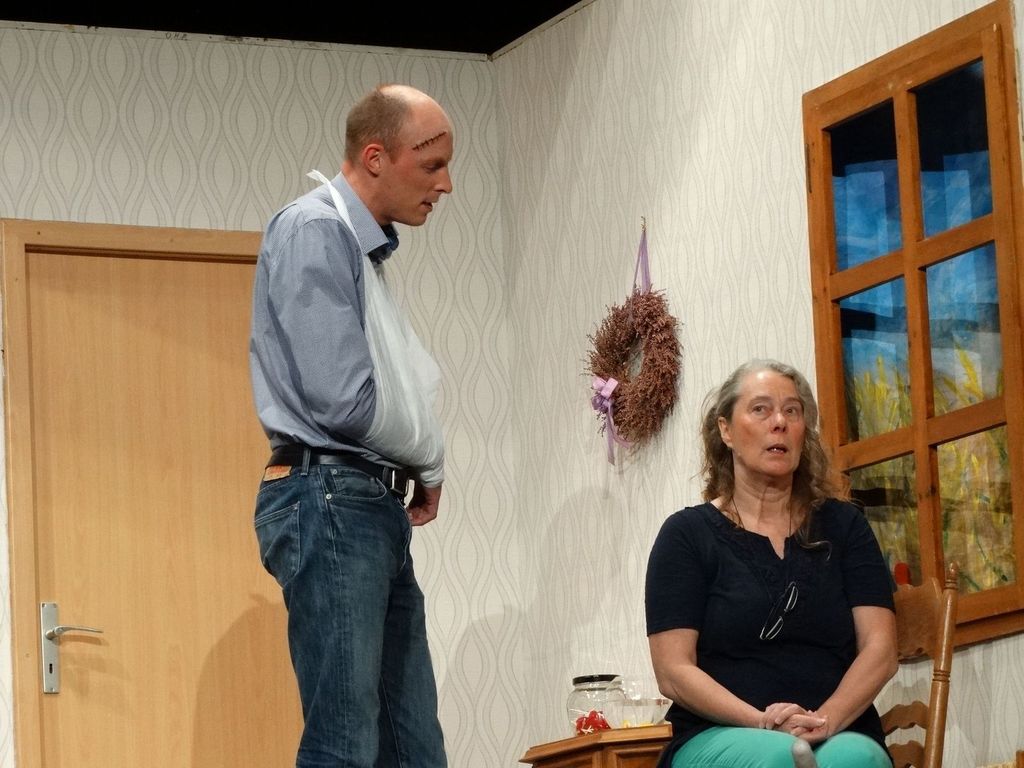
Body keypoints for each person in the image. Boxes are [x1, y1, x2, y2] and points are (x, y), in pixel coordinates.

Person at [248, 83, 454, 767]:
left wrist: (417, 463)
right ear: (375, 157)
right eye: (431, 164)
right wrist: (427, 454)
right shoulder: (314, 230)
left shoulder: (355, 247)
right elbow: (345, 402)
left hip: (364, 500)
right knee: (344, 745)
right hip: (330, 497)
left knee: (414, 750)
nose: (446, 184)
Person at [645, 359, 899, 768]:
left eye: (792, 411)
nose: (779, 422)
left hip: (836, 728)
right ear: (726, 430)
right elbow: (673, 671)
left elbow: (881, 649)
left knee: (857, 760)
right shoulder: (686, 535)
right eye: (760, 409)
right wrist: (761, 722)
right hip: (718, 732)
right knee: (782, 759)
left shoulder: (845, 525)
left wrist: (824, 721)